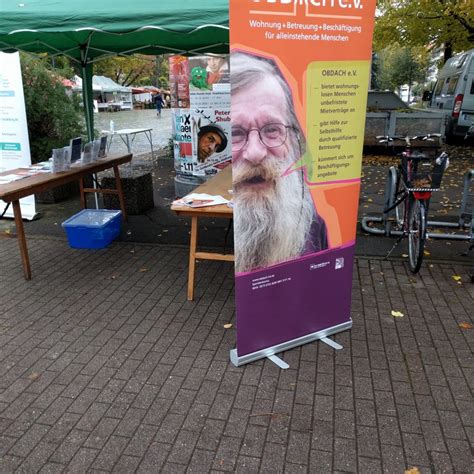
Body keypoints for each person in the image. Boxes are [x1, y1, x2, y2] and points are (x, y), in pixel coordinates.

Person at [231, 51, 328, 273]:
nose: (255, 153)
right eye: (235, 132)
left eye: (272, 130)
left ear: (293, 139)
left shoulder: (313, 227)